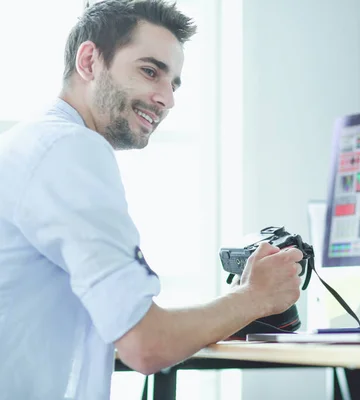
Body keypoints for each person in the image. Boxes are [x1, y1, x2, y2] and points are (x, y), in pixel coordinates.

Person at [0, 0, 303, 398]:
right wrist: (254, 298)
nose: (166, 99)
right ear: (90, 61)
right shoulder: (70, 149)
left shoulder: (31, 143)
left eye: (173, 83)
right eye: (149, 71)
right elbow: (146, 345)